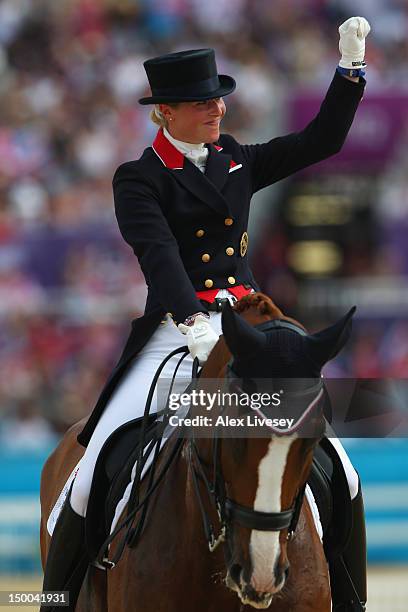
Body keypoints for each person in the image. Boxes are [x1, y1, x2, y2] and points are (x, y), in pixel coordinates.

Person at [41, 17, 371, 612]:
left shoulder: (237, 160)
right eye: (201, 103)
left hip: (248, 330)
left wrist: (350, 72)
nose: (217, 110)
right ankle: (58, 600)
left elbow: (322, 141)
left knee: (339, 469)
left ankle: (351, 600)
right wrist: (193, 323)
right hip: (174, 333)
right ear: (164, 113)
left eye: (218, 99)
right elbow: (160, 256)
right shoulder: (138, 178)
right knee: (89, 473)